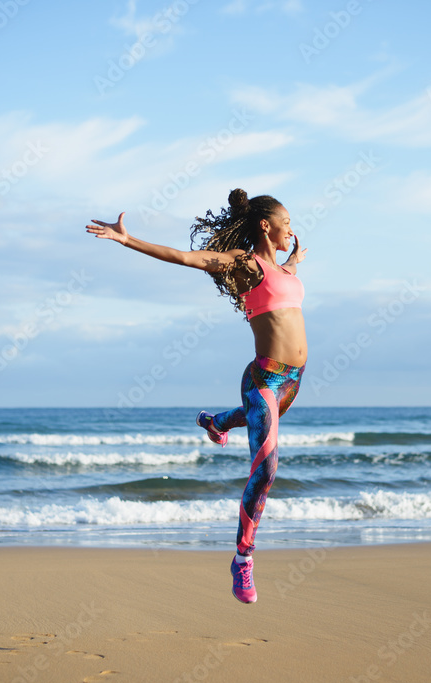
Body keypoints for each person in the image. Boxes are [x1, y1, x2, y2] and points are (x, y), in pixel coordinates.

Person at [86, 188, 307, 604]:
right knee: (267, 469)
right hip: (264, 378)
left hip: (294, 380)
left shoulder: (284, 271)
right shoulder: (245, 263)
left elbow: (286, 279)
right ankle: (243, 559)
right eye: (287, 222)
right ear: (266, 225)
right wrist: (127, 240)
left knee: (258, 420)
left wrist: (296, 260)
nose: (291, 228)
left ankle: (218, 421)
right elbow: (184, 258)